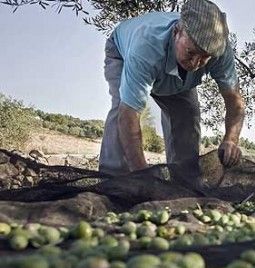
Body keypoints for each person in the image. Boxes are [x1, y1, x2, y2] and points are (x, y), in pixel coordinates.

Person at [99, 0, 245, 186]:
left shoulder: (219, 51)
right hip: (122, 53)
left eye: (204, 58)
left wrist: (231, 140)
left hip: (175, 76)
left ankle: (184, 184)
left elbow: (235, 101)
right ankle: (114, 182)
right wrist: (144, 176)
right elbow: (129, 115)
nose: (195, 64)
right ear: (177, 32)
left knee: (188, 115)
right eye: (191, 53)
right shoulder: (146, 47)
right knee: (121, 107)